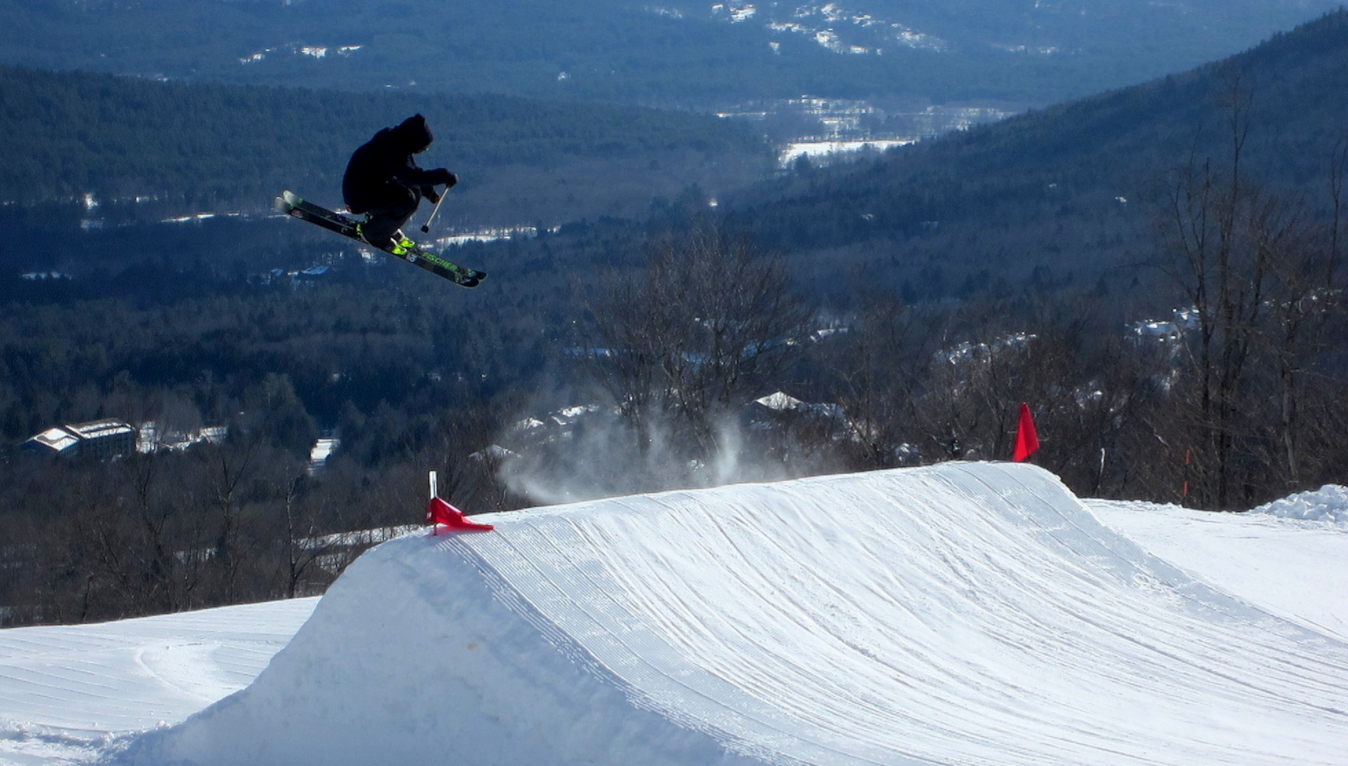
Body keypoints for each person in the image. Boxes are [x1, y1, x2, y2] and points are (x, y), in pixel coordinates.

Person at [341, 114, 457, 251]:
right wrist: (443, 175)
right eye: (423, 147)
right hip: (358, 198)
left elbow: (411, 172)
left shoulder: (396, 143)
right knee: (406, 200)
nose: (423, 150)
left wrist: (429, 192)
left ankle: (386, 225)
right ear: (414, 141)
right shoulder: (390, 150)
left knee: (414, 192)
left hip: (370, 189)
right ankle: (373, 233)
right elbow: (412, 177)